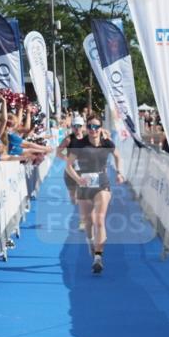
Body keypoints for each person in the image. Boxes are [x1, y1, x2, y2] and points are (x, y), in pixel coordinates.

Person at [65, 116, 125, 275]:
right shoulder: (80, 144)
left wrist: (119, 173)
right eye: (90, 126)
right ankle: (90, 240)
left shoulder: (107, 143)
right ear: (86, 127)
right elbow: (68, 166)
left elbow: (118, 156)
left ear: (100, 128)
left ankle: (98, 258)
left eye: (96, 127)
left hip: (102, 183)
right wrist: (78, 179)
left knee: (99, 220)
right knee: (87, 221)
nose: (93, 130)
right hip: (85, 184)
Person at [56, 115, 87, 207]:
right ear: (72, 127)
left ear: (82, 126)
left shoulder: (87, 138)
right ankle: (76, 207)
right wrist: (67, 159)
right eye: (75, 126)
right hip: (71, 171)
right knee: (72, 195)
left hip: (85, 170)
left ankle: (82, 214)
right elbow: (58, 152)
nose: (77, 128)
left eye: (79, 126)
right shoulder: (68, 139)